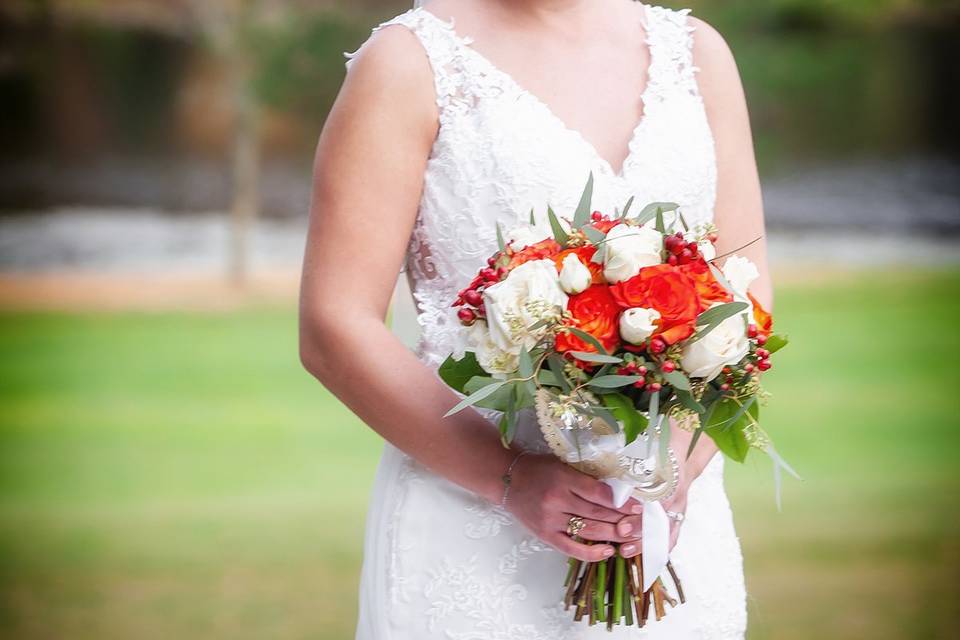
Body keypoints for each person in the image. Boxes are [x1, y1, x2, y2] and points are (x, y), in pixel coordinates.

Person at [299, 0, 771, 637]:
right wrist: (509, 478)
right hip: (473, 532)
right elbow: (335, 324)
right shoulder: (410, 63)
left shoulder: (697, 53)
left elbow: (745, 297)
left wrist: (679, 462)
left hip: (667, 532)